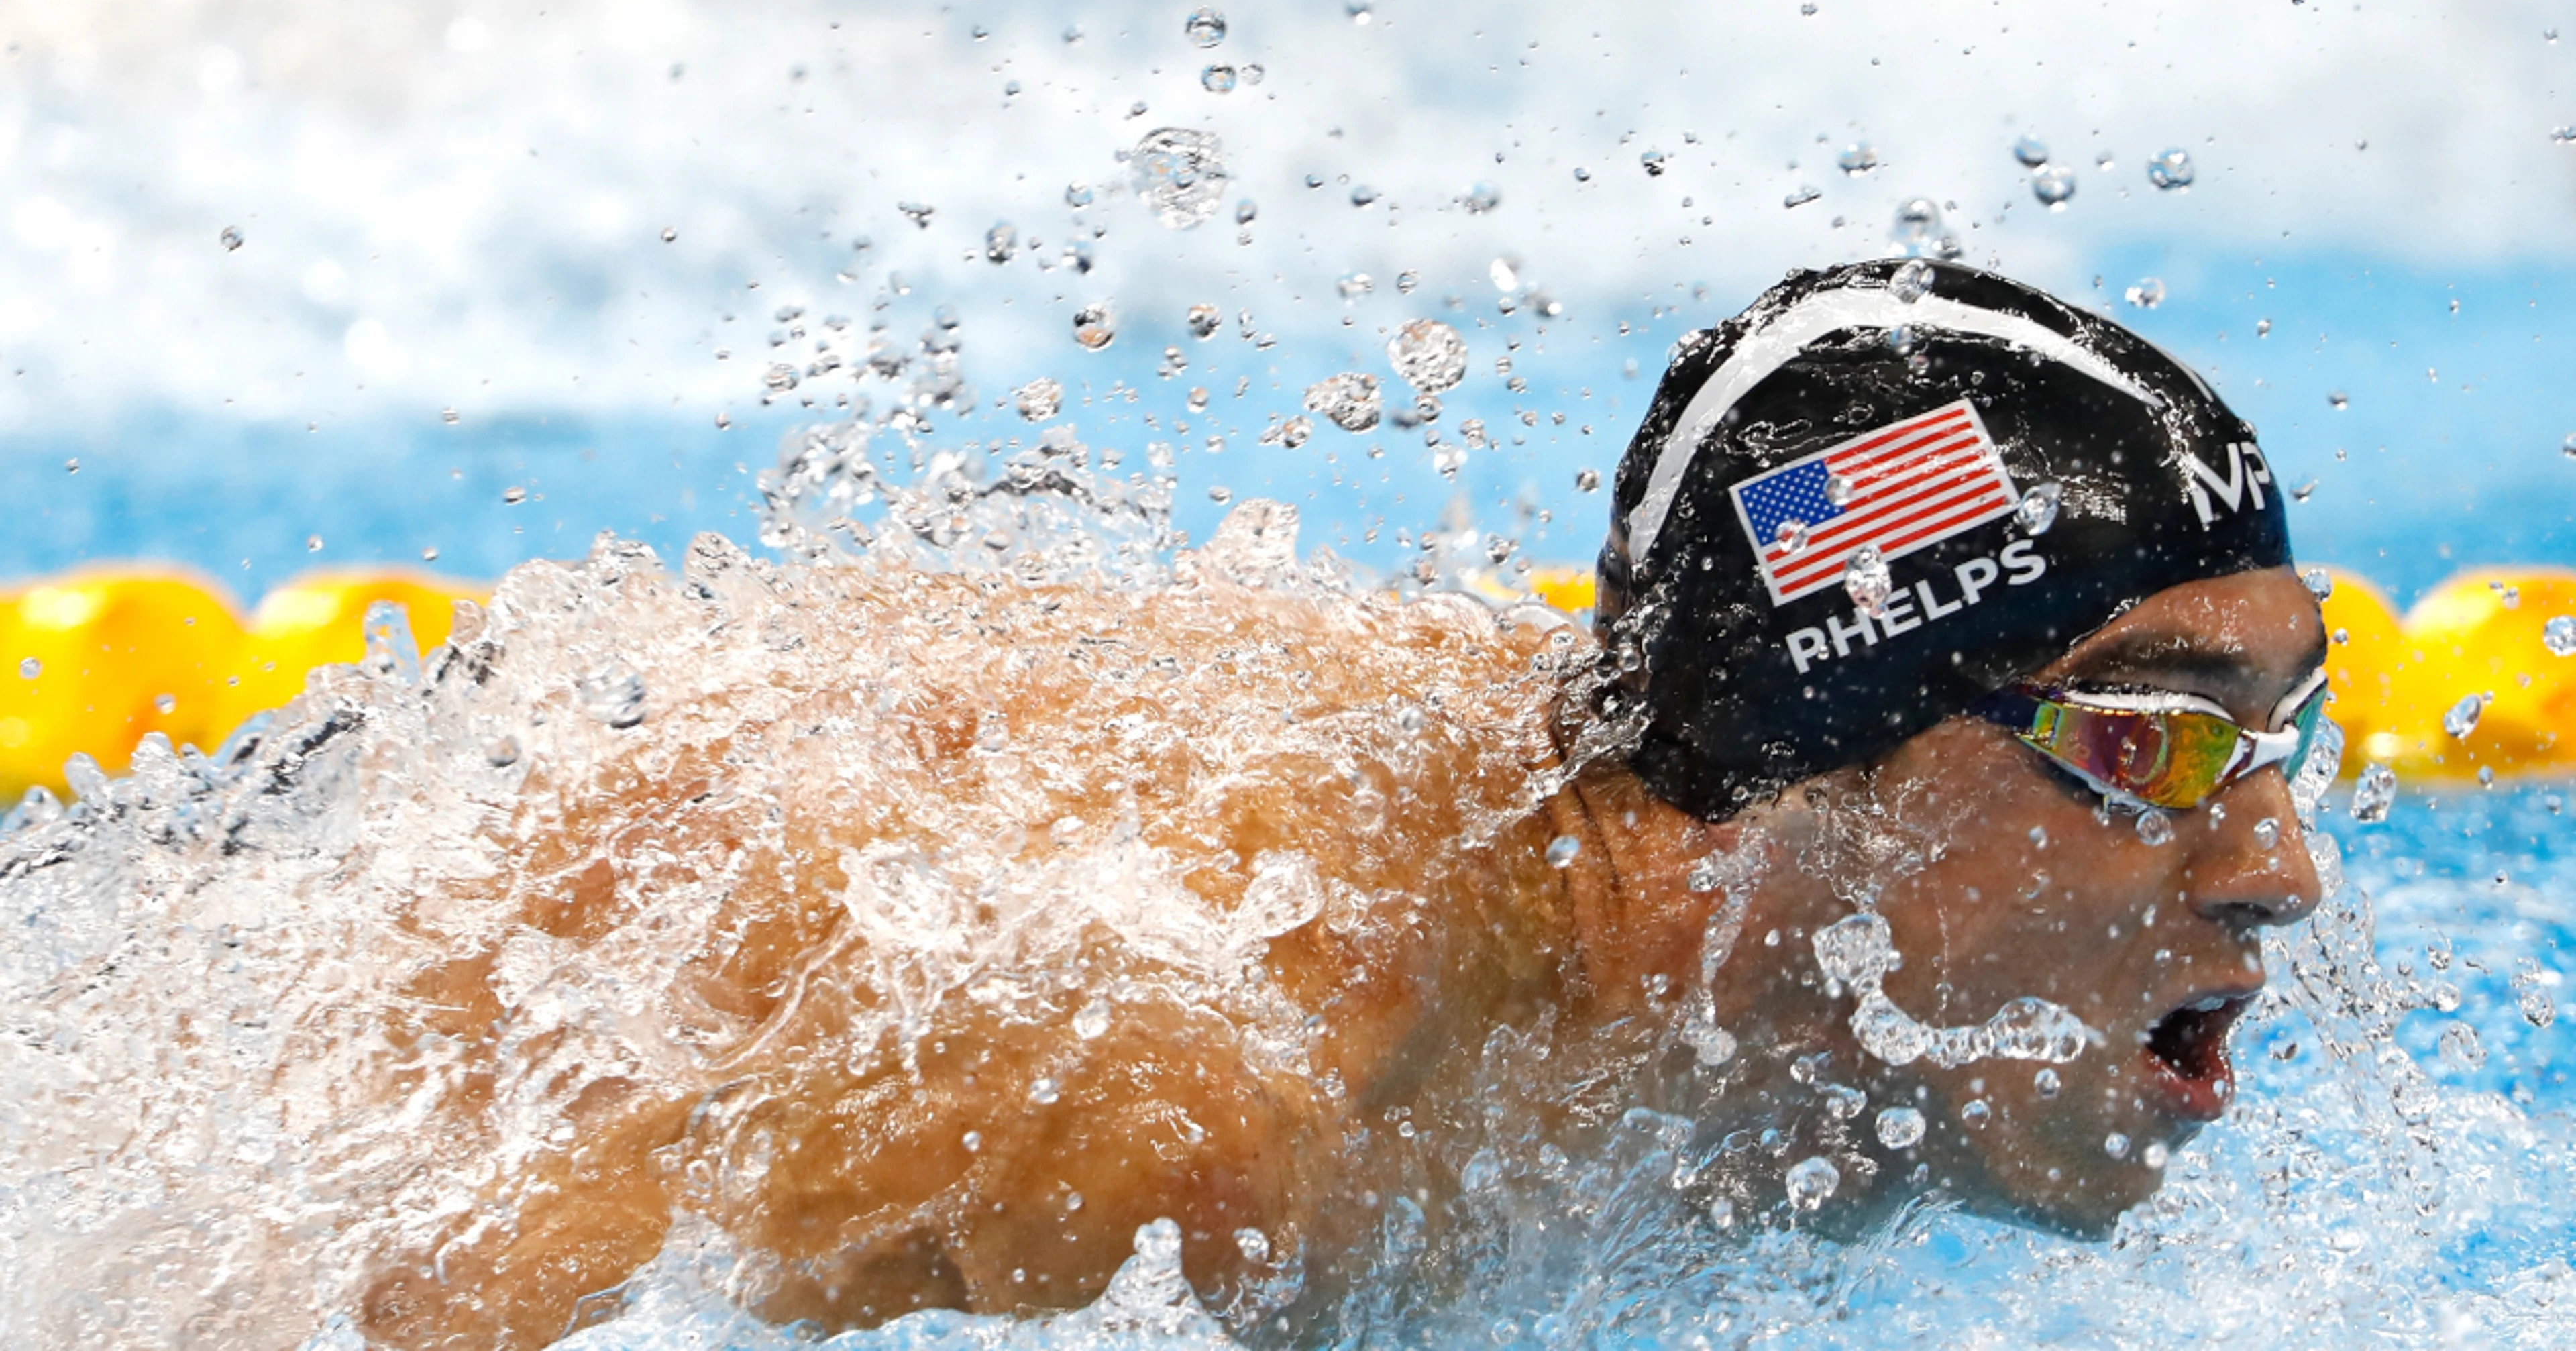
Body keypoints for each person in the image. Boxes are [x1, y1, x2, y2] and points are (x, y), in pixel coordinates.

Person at [352, 260, 2327, 1347]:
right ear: (1801, 786)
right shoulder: (1219, 1091)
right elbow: (421, 1298)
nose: (2281, 877)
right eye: (2155, 742)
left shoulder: (1769, 1025)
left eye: (2277, 740)